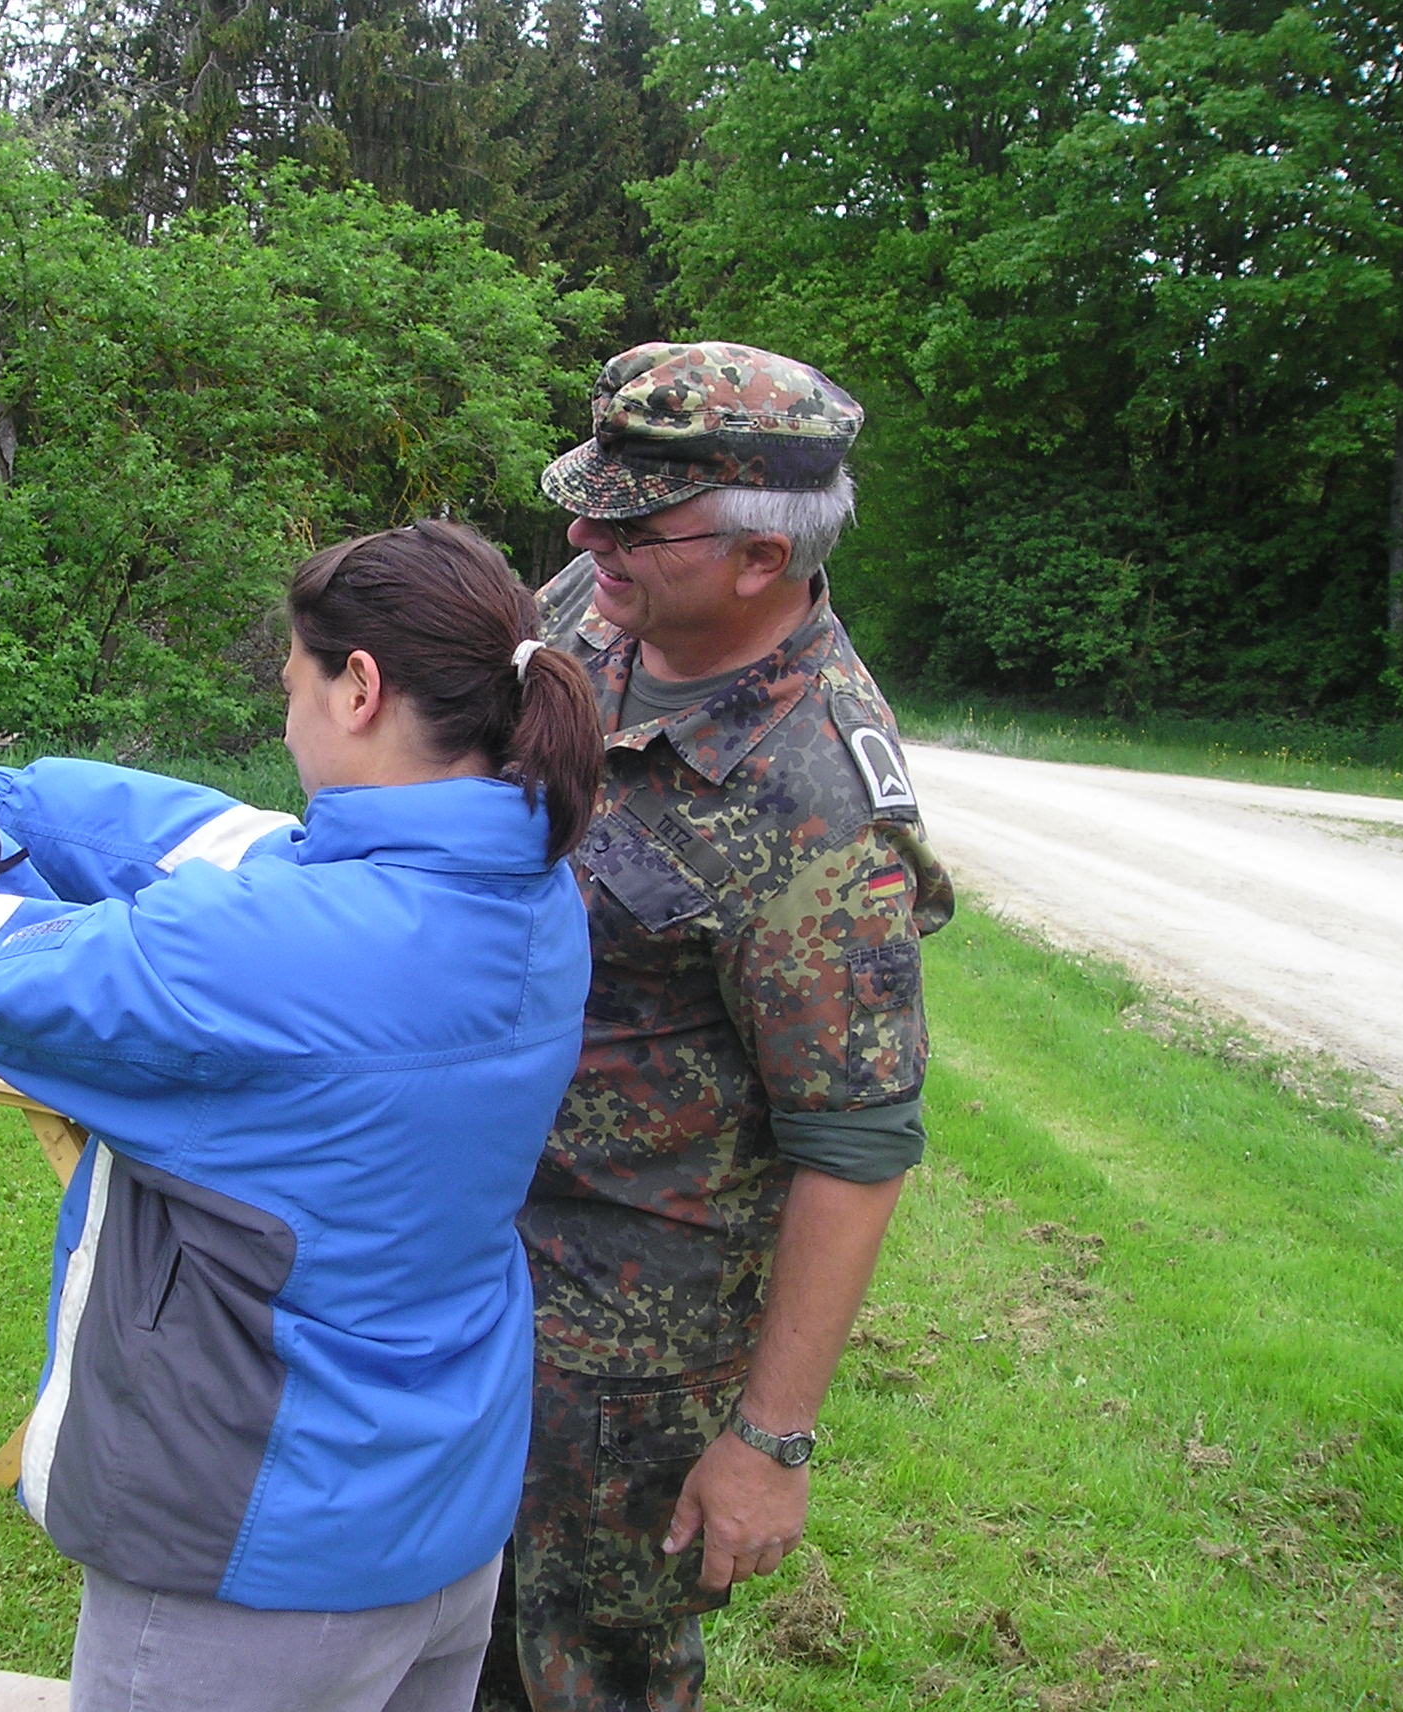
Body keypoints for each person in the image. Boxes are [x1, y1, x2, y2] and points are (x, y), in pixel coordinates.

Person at [0, 521, 606, 1712]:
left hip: (255, 1556)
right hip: (439, 1516)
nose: (282, 717)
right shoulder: (525, 889)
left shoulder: (280, 949)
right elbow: (210, 841)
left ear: (358, 687)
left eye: (290, 682)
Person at [477, 343, 955, 1712]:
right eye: (589, 508)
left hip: (622, 1351)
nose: (585, 543)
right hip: (471, 1249)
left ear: (761, 558)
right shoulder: (595, 610)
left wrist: (769, 1439)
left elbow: (853, 1142)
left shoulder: (820, 808)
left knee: (581, 1673)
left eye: (632, 525)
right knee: (432, 1638)